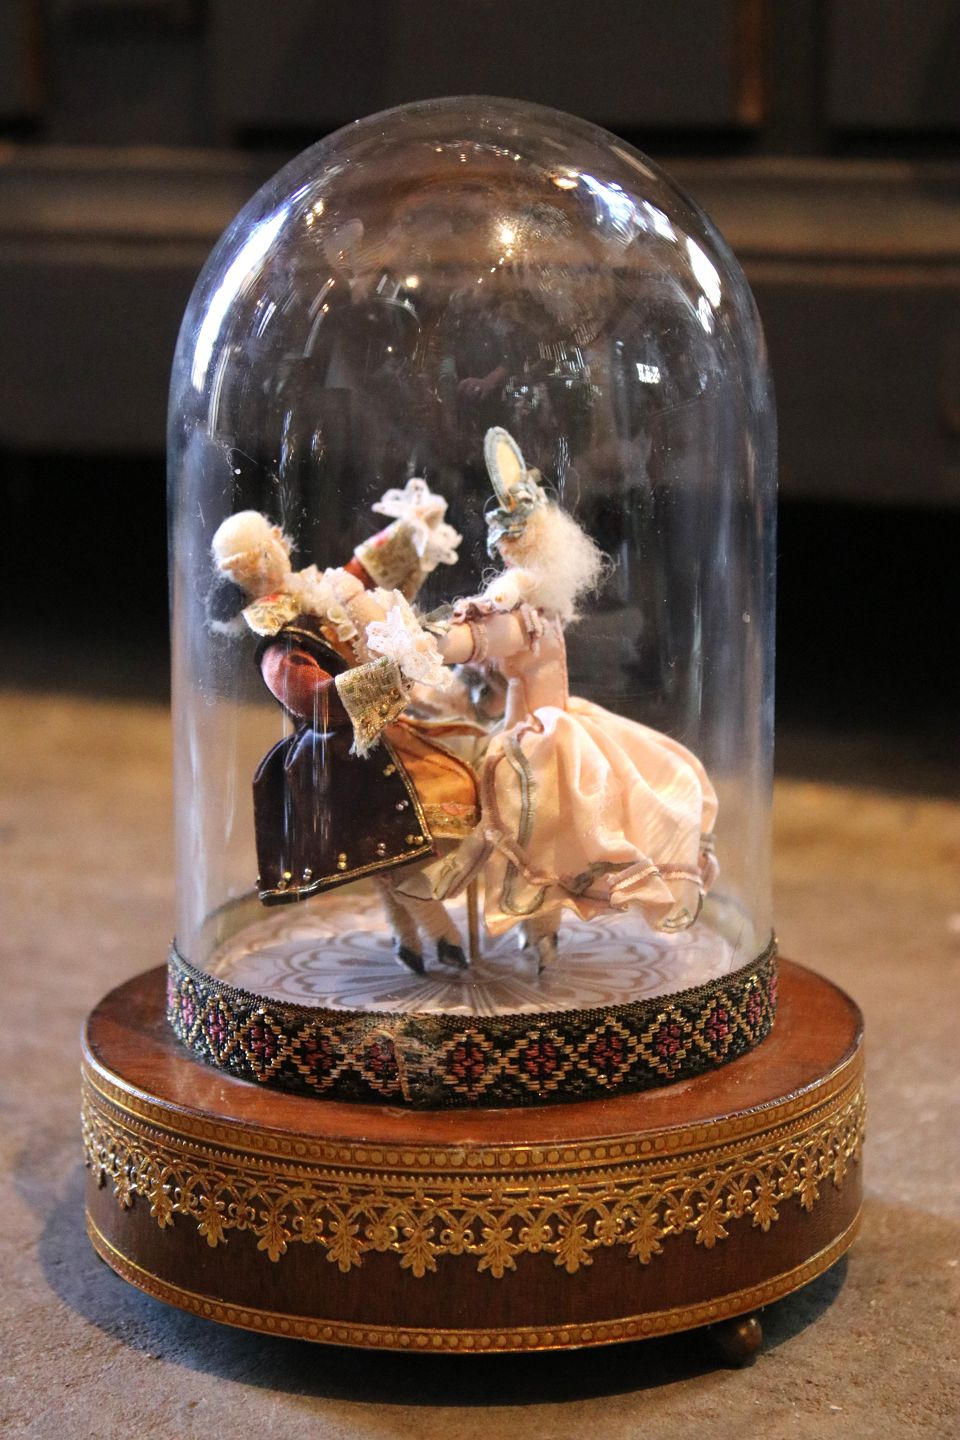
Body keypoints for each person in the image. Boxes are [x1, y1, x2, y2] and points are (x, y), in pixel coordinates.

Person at [420, 428, 719, 970]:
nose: (502, 551)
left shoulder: (524, 617)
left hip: (535, 735)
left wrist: (427, 641)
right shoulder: (544, 612)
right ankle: (541, 931)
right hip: (549, 718)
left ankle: (530, 921)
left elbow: (473, 638)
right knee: (547, 826)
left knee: (528, 818)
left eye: (510, 541)